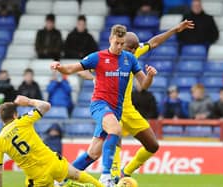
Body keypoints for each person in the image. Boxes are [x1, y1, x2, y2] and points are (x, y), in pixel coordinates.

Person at [76, 20, 194, 180]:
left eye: (134, 48)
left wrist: (175, 29)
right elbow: (80, 70)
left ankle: (126, 171)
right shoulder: (105, 57)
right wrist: (94, 78)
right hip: (110, 108)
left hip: (128, 110)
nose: (132, 51)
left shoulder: (131, 56)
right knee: (108, 145)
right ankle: (110, 177)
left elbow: (154, 42)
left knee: (153, 145)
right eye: (128, 48)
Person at [51, 24, 158, 186]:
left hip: (116, 110)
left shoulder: (130, 59)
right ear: (110, 39)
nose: (119, 47)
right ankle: (106, 176)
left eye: (122, 44)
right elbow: (72, 68)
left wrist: (150, 76)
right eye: (117, 43)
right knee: (115, 130)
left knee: (93, 153)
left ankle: (61, 178)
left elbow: (144, 84)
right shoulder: (97, 57)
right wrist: (59, 68)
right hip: (99, 105)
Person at [0, 95, 104, 187]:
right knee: (77, 174)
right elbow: (45, 106)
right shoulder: (22, 121)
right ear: (15, 115)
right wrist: (27, 101)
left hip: (37, 177)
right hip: (52, 162)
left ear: (1, 118)